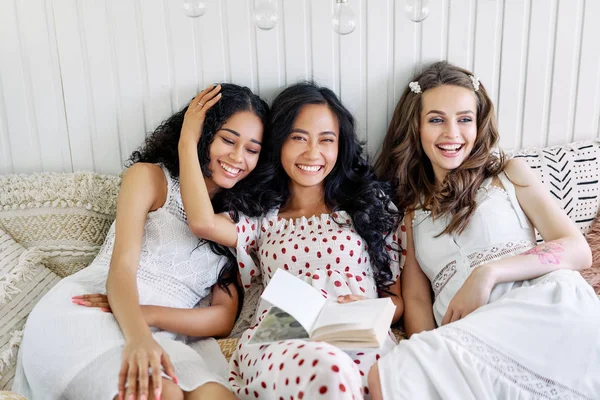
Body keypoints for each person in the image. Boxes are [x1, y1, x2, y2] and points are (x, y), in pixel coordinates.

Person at [13, 83, 270, 400]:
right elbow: (121, 268)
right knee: (163, 394)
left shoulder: (237, 222)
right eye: (228, 140)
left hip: (163, 328)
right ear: (202, 135)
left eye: (252, 149)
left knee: (215, 396)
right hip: (95, 310)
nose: (237, 156)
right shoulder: (149, 178)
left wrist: (149, 316)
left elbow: (221, 317)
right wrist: (137, 335)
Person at [368, 61, 600, 399]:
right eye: (436, 120)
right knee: (388, 376)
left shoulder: (509, 174)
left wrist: (487, 273)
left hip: (540, 307)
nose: (452, 134)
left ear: (479, 124)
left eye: (464, 119)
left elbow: (578, 250)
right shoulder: (411, 214)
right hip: (470, 333)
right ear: (416, 127)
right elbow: (417, 299)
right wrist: (430, 350)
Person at [177, 82, 404, 399]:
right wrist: (189, 140)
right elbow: (201, 222)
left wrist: (371, 308)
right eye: (299, 138)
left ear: (340, 147)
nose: (313, 153)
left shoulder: (369, 206)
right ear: (279, 142)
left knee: (361, 373)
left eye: (326, 140)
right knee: (331, 368)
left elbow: (396, 299)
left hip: (356, 332)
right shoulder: (260, 217)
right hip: (283, 333)